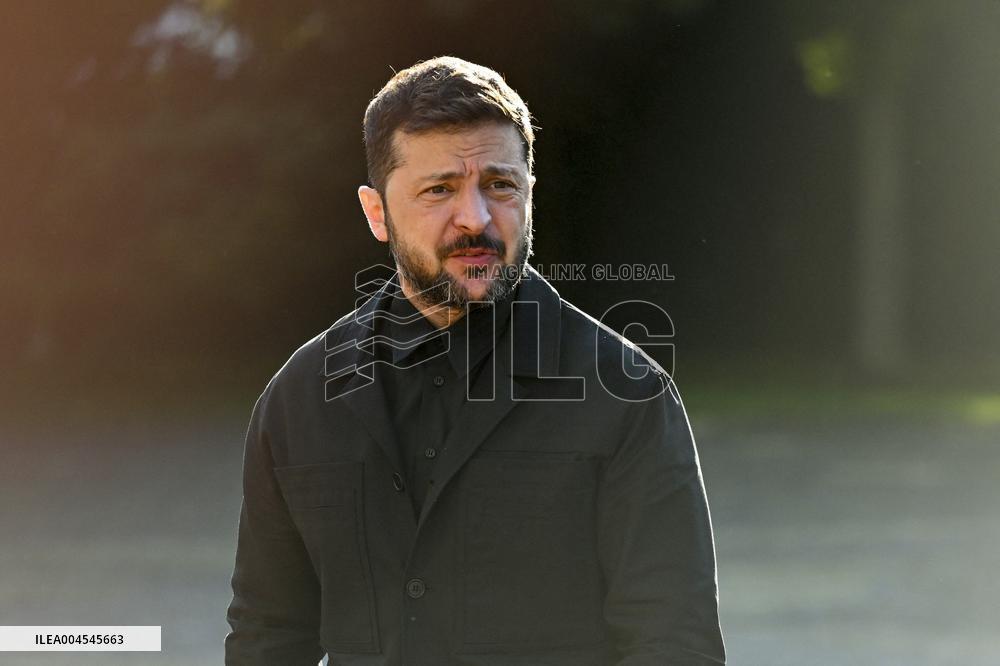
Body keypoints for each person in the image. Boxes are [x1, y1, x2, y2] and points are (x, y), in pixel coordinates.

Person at [225, 56, 725, 665]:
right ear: (377, 213)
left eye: (499, 185)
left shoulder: (626, 394)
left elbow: (674, 645)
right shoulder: (299, 398)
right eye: (439, 189)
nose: (476, 218)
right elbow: (268, 635)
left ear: (529, 194)